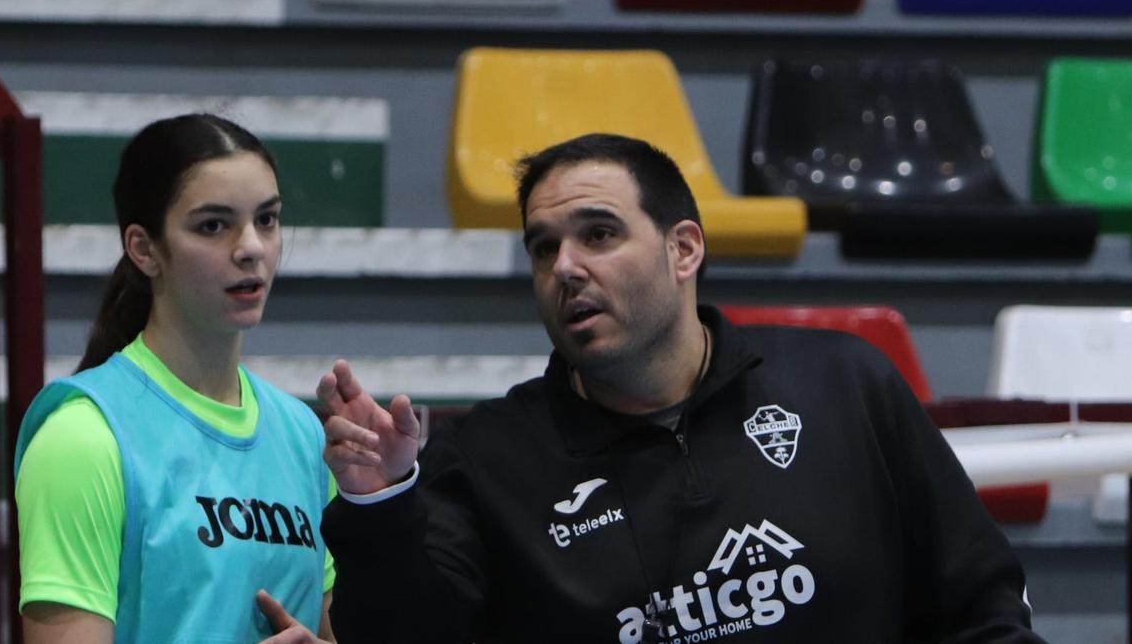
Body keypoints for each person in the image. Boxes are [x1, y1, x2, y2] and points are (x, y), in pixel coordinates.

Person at [270, 132, 1046, 643]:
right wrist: (380, 506)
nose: (565, 267)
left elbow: (980, 603)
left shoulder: (845, 385)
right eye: (543, 248)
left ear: (684, 249)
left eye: (598, 234)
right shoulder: (485, 460)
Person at [14, 114, 336, 644]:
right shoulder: (82, 439)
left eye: (267, 219)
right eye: (213, 226)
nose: (251, 247)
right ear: (144, 249)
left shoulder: (303, 437)